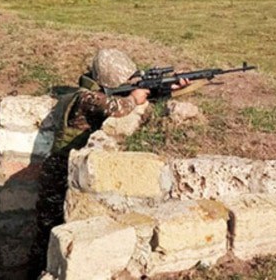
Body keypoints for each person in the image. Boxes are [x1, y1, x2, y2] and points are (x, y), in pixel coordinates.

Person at [28, 49, 189, 276]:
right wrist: (134, 97)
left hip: (66, 167)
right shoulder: (87, 98)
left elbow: (132, 97)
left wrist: (167, 89)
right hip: (58, 171)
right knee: (49, 231)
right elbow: (119, 106)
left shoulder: (90, 91)